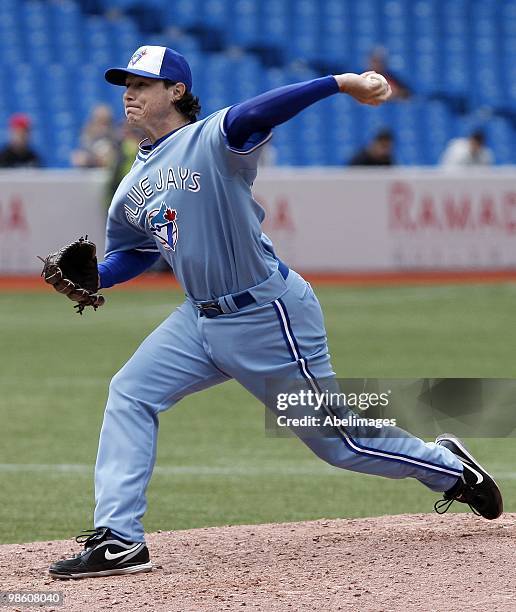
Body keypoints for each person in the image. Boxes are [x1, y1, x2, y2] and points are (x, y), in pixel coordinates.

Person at [48, 45, 503, 580]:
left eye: (144, 83)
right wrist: (96, 277)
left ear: (175, 91)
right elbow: (135, 252)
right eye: (126, 83)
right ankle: (121, 538)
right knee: (130, 391)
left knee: (342, 443)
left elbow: (259, 111)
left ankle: (447, 466)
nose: (129, 92)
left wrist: (340, 82)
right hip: (198, 320)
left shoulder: (214, 138)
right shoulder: (129, 187)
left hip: (267, 316)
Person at [71, 103, 118, 168]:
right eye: (99, 120)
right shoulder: (87, 134)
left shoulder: (115, 136)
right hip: (90, 170)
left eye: (105, 122)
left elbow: (114, 157)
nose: (102, 127)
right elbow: (79, 158)